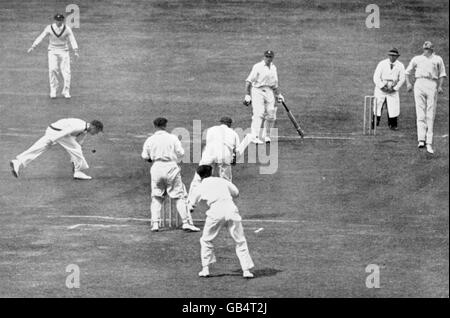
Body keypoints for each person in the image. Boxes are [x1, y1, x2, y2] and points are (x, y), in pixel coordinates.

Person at [190, 165, 254, 278]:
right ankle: (246, 270)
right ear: (212, 172)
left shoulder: (200, 186)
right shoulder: (221, 180)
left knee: (206, 240)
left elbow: (192, 204)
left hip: (215, 212)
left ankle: (205, 269)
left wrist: (191, 207)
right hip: (231, 209)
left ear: (199, 176)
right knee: (240, 241)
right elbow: (236, 193)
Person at [141, 117, 200, 232]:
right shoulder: (172, 138)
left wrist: (151, 158)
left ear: (155, 126)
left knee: (157, 197)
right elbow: (181, 153)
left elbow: (145, 156)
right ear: (165, 125)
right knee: (179, 197)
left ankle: (155, 224)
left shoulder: (150, 140)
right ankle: (186, 223)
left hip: (156, 168)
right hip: (171, 167)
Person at [10, 118, 103, 180]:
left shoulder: (85, 130)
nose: (96, 133)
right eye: (97, 131)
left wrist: (76, 152)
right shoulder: (80, 126)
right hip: (57, 132)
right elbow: (67, 131)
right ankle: (78, 171)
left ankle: (18, 162)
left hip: (54, 130)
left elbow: (78, 142)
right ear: (93, 127)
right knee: (76, 148)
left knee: (40, 147)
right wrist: (53, 139)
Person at [405, 41, 447, 154]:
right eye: (425, 49)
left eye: (428, 49)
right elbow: (407, 72)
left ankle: (429, 142)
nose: (426, 51)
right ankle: (421, 140)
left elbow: (442, 74)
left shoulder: (438, 59)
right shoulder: (417, 59)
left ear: (432, 49)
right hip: (419, 83)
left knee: (430, 114)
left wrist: (440, 86)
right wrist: (408, 83)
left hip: (431, 83)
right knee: (420, 113)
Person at [187, 116, 240, 204]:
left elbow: (209, 142)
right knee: (226, 180)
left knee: (199, 177)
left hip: (210, 152)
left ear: (221, 122)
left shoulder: (211, 129)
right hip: (224, 154)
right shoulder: (234, 133)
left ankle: (190, 201)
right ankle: (226, 201)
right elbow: (236, 150)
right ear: (230, 124)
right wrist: (234, 159)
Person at [27, 13, 79, 99]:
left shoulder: (67, 29)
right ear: (55, 20)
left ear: (63, 20)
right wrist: (33, 46)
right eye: (57, 20)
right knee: (52, 69)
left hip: (64, 51)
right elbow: (41, 36)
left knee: (66, 71)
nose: (59, 22)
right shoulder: (49, 28)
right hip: (52, 50)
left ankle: (66, 91)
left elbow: (72, 39)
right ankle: (53, 90)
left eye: (61, 20)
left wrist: (75, 50)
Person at [244, 50, 284, 144]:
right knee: (259, 113)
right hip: (257, 90)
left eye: (270, 57)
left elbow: (274, 83)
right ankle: (255, 136)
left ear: (272, 58)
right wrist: (247, 95)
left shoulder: (274, 68)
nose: (268, 58)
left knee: (271, 114)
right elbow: (248, 81)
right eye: (266, 56)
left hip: (269, 91)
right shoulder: (258, 66)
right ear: (264, 57)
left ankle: (266, 135)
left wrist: (278, 94)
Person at [372, 48, 406, 130]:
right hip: (381, 88)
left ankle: (393, 125)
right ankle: (374, 123)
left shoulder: (400, 65)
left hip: (393, 87)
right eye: (390, 55)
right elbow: (376, 77)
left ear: (397, 57)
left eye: (394, 56)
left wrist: (394, 88)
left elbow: (402, 79)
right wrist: (382, 87)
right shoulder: (382, 64)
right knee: (377, 104)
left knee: (393, 106)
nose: (392, 57)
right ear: (388, 56)